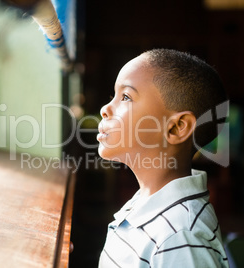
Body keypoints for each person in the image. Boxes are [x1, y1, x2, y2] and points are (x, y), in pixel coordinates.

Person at [97, 48, 229, 267]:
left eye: (126, 97)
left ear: (177, 127)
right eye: (113, 96)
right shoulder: (146, 202)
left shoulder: (180, 236)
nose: (105, 109)